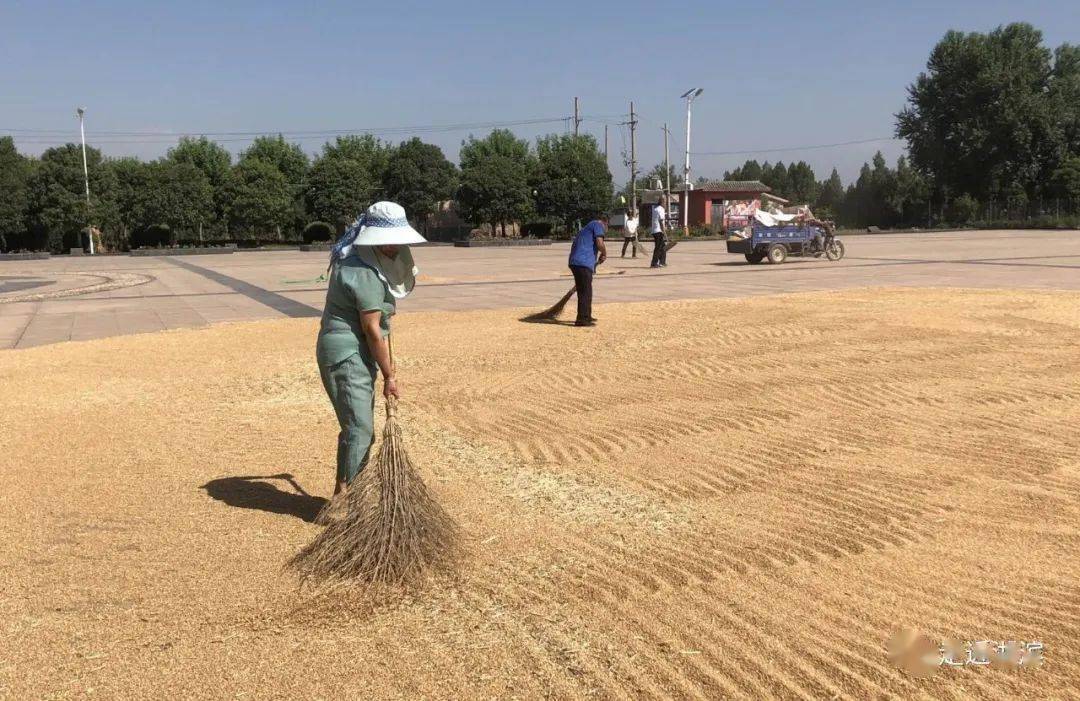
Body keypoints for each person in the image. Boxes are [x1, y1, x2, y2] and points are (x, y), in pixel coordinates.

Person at [316, 201, 425, 495]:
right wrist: (389, 375)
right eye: (386, 240)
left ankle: (342, 494)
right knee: (361, 429)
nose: (393, 246)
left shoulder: (369, 260)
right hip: (346, 353)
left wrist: (386, 365)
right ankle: (350, 501)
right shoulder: (361, 269)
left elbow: (379, 328)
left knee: (356, 426)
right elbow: (372, 329)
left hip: (358, 351)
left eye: (397, 240)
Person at [567, 217, 607, 327]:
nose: (604, 232)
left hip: (576, 262)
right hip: (582, 263)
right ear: (604, 223)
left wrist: (593, 266)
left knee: (584, 290)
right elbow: (599, 243)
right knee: (586, 291)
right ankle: (582, 319)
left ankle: (587, 315)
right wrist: (604, 253)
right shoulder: (597, 224)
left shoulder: (585, 230)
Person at [650, 198, 668, 268]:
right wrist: (664, 231)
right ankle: (654, 263)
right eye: (665, 202)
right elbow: (661, 221)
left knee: (662, 247)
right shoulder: (661, 209)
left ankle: (662, 262)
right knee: (658, 248)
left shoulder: (655, 209)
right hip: (658, 231)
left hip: (655, 230)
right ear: (662, 202)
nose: (666, 204)